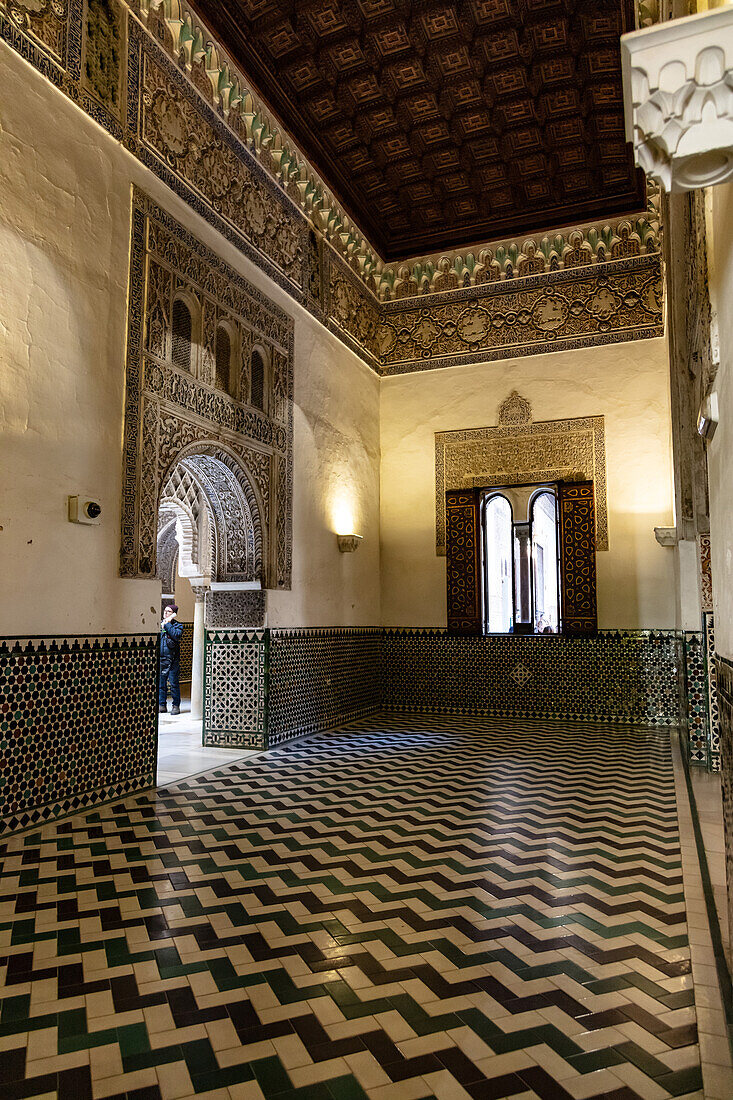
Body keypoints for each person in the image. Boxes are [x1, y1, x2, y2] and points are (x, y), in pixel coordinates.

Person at [159, 604, 184, 715]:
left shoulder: (178, 626)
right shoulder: (160, 625)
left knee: (174, 683)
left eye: (168, 611)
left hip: (173, 659)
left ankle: (175, 705)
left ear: (173, 614)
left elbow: (176, 635)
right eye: (165, 611)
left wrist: (168, 623)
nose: (165, 613)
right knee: (161, 684)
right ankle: (162, 705)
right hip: (161, 659)